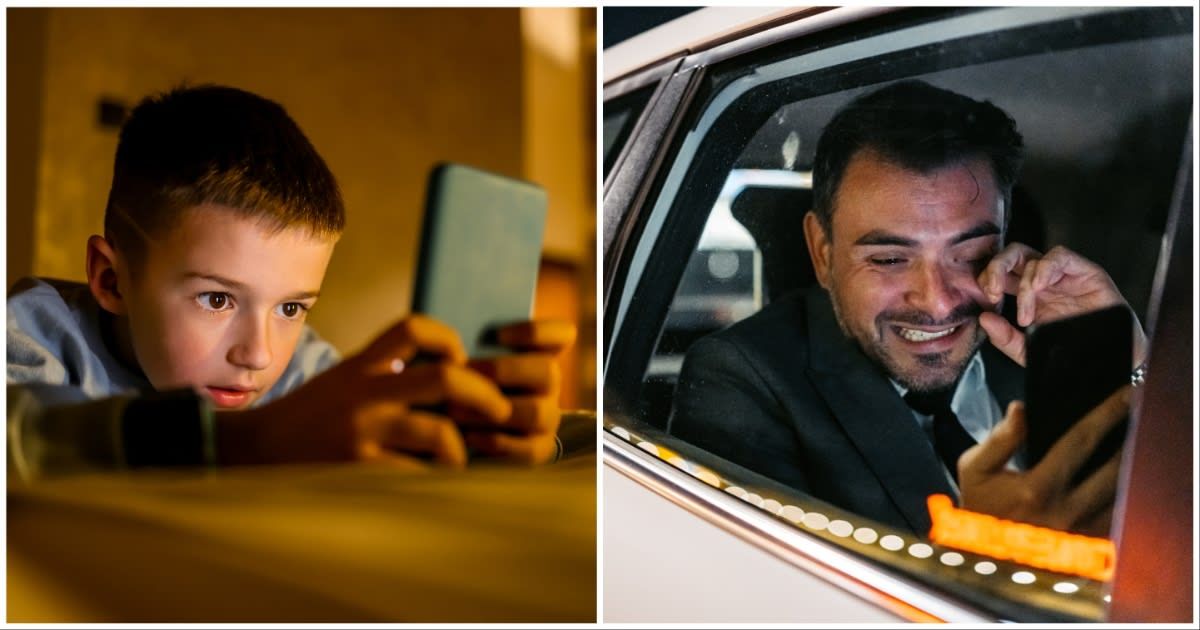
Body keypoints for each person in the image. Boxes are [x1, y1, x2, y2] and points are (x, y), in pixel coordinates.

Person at [7, 85, 574, 480]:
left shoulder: (297, 364)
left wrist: (500, 437)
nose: (258, 354)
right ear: (111, 280)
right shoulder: (33, 333)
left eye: (291, 308)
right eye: (217, 298)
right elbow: (22, 442)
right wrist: (254, 443)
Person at [669, 80, 1145, 537]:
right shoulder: (744, 379)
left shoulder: (1044, 342)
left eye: (971, 256)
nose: (938, 301)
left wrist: (1134, 367)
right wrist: (987, 553)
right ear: (822, 252)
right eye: (890, 259)